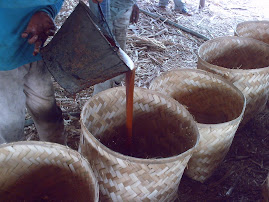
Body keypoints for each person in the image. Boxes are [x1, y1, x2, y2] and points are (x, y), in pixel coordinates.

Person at [0, 1, 68, 145]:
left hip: (34, 48)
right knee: (9, 123)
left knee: (47, 110)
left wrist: (47, 12)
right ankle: (15, 162)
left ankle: (59, 157)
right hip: (4, 56)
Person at [88, 0, 139, 95]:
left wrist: (133, 3)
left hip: (123, 8)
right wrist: (105, 28)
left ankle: (116, 81)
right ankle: (100, 97)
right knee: (105, 52)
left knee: (119, 45)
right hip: (104, 11)